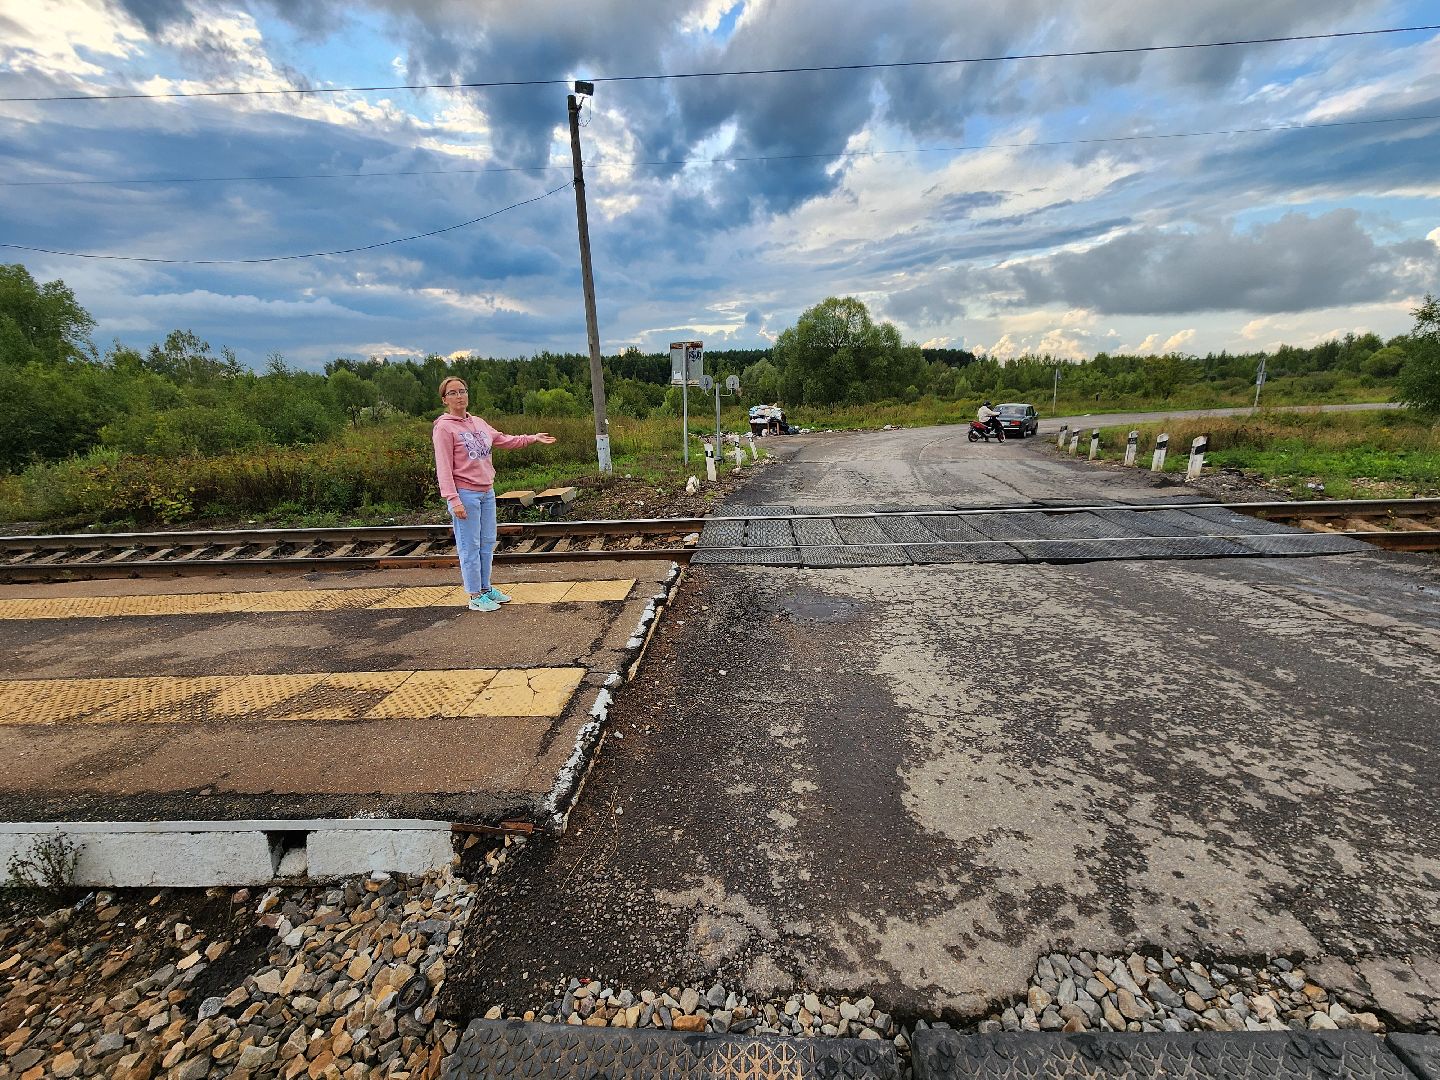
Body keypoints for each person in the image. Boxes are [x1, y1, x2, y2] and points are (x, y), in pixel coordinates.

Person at [432, 376, 556, 612]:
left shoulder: (478, 422)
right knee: (469, 545)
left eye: (462, 391)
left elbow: (503, 440)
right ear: (444, 399)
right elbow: (444, 467)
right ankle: (475, 595)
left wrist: (533, 438)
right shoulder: (444, 428)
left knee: (487, 542)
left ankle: (486, 588)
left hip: (486, 492)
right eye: (453, 393)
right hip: (465, 494)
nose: (459, 396)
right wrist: (453, 498)